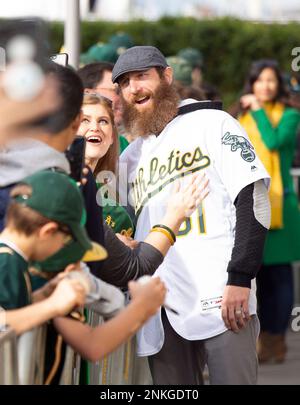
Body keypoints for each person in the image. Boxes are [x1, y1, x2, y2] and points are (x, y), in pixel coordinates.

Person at [112, 45, 271, 385]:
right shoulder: (130, 158)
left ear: (167, 77)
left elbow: (253, 198)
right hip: (160, 310)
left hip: (222, 296)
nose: (134, 88)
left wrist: (240, 277)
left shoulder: (212, 122)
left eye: (142, 76)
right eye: (124, 82)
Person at [237, 59, 300, 363]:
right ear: (252, 83)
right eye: (260, 80)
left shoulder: (289, 116)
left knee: (280, 277)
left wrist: (259, 112)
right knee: (255, 275)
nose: (266, 86)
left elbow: (274, 142)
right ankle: (259, 339)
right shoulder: (242, 117)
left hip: (281, 206)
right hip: (249, 205)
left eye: (271, 80)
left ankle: (277, 340)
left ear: (279, 85)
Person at [0, 170, 102, 335]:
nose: (63, 245)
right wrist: (53, 305)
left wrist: (42, 295)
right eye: (66, 239)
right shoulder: (5, 261)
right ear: (48, 232)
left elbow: (10, 309)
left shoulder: (14, 258)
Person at [77, 62, 129, 151]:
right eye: (116, 91)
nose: (124, 98)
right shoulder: (63, 140)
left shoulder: (123, 143)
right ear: (88, 94)